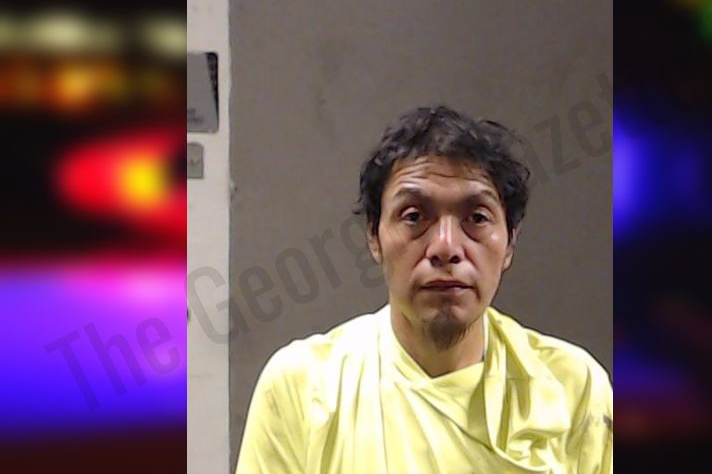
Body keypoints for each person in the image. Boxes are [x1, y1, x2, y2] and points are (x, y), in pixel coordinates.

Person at [236, 106, 612, 473]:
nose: (446, 246)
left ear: (510, 243)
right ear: (374, 238)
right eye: (414, 216)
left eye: (476, 218)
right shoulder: (302, 388)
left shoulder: (572, 389)